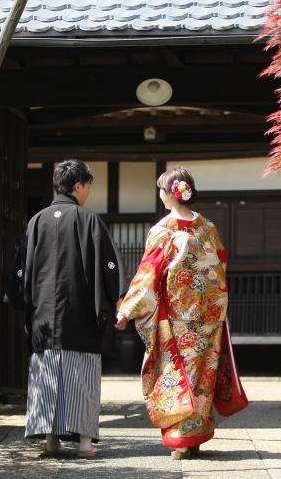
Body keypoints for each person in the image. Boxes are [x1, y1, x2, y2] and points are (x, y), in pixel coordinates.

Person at [4, 159, 129, 458]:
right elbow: (109, 266)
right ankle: (85, 443)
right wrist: (118, 300)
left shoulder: (36, 221)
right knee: (81, 375)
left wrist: (26, 311)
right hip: (80, 315)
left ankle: (51, 441)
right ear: (77, 186)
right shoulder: (88, 221)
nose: (87, 192)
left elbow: (22, 270)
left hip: (43, 316)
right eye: (87, 186)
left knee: (47, 374)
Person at [115, 166, 239, 460]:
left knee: (176, 376)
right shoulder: (208, 227)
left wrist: (127, 310)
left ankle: (181, 440)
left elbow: (149, 273)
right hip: (210, 314)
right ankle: (194, 436)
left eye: (161, 190)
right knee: (201, 375)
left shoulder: (164, 230)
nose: (159, 195)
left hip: (177, 317)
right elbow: (220, 266)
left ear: (170, 194)